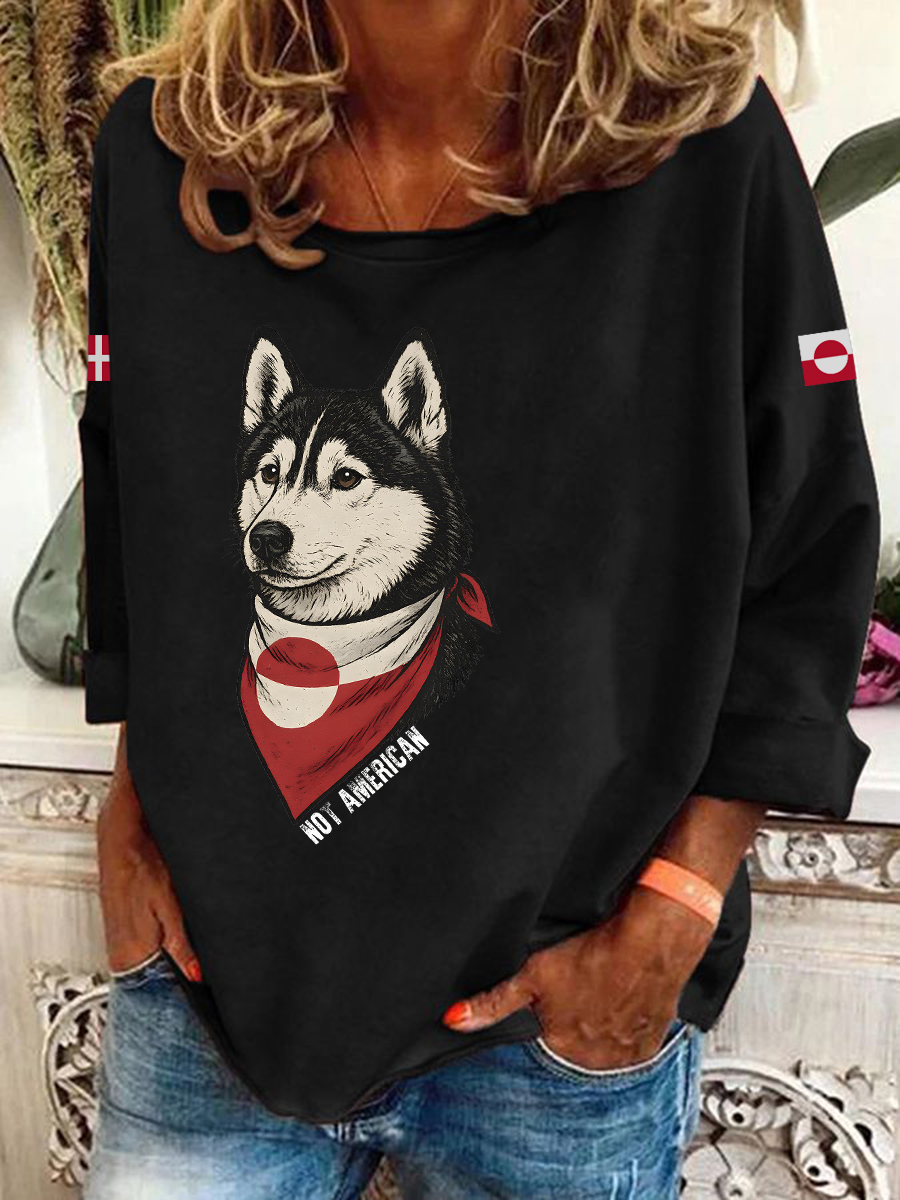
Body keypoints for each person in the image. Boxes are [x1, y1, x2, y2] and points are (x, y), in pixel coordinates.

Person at [78, 1, 879, 1196]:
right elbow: (142, 512)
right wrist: (130, 815)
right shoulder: (166, 151)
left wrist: (678, 902)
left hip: (553, 1023)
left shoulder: (703, 143)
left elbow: (808, 543)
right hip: (207, 1000)